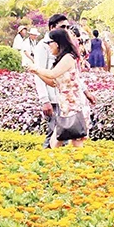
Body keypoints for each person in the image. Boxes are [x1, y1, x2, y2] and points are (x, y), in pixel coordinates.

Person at [28, 28, 95, 148]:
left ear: (57, 43)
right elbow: (53, 82)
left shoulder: (68, 58)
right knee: (57, 140)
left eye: (50, 43)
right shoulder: (61, 59)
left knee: (76, 141)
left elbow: (53, 74)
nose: (48, 46)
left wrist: (36, 69)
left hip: (75, 105)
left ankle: (76, 164)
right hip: (65, 106)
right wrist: (37, 73)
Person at [32, 14, 69, 148]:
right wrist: (44, 100)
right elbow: (39, 72)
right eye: (62, 27)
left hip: (64, 97)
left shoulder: (64, 44)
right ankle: (45, 164)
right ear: (52, 27)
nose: (66, 29)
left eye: (67, 27)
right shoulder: (43, 46)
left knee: (64, 135)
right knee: (54, 133)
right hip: (52, 98)